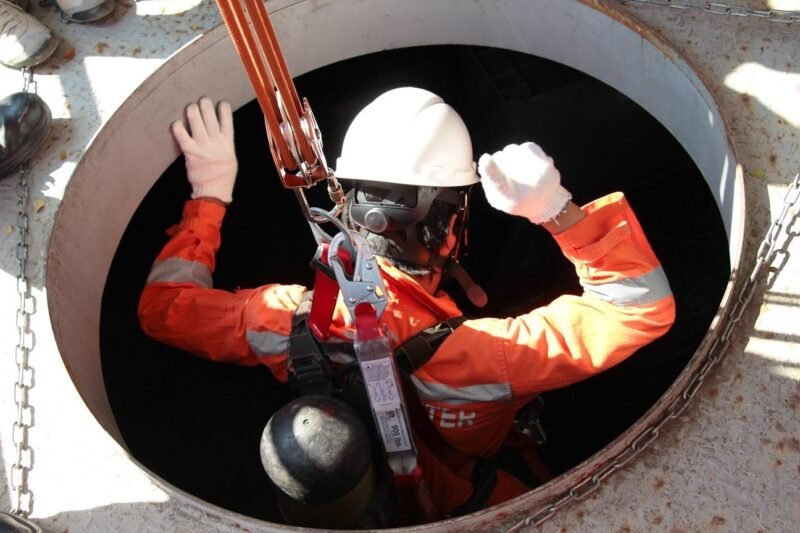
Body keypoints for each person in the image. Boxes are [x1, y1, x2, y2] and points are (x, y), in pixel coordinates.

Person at [138, 90, 676, 526]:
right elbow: (640, 308)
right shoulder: (489, 355)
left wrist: (208, 198)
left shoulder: (287, 318)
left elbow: (163, 309)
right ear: (445, 223)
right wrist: (557, 211)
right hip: (471, 495)